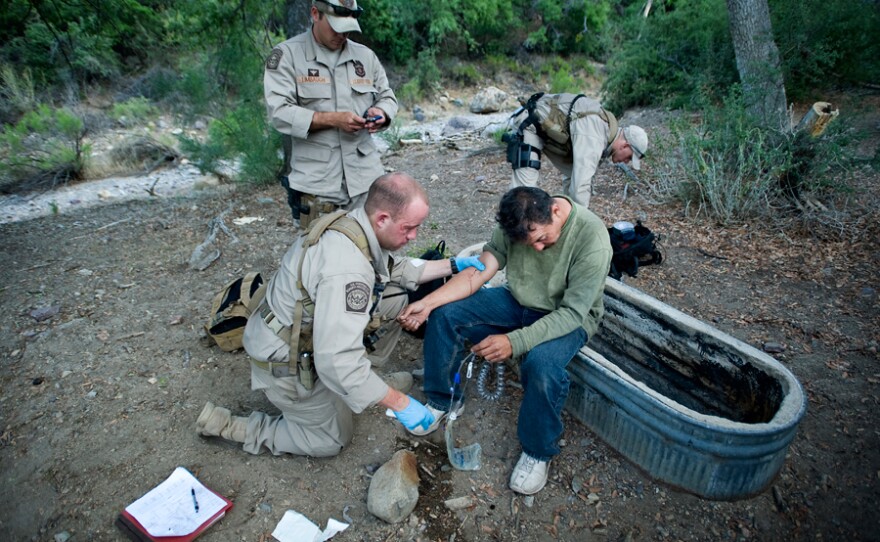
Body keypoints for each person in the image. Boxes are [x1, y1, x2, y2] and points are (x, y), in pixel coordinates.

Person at [195, 173, 486, 457]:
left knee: (396, 298)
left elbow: (397, 269)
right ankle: (232, 426)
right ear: (383, 219)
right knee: (331, 440)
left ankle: (363, 384)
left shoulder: (354, 225)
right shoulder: (348, 271)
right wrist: (400, 403)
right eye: (409, 228)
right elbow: (337, 361)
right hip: (286, 361)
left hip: (294, 328)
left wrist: (454, 265)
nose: (414, 236)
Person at [397, 186, 612, 495]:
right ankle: (440, 400)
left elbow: (573, 313)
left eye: (540, 238)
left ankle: (538, 451)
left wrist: (515, 341)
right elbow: (481, 270)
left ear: (555, 211)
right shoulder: (516, 221)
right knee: (446, 315)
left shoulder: (592, 238)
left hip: (567, 317)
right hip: (519, 301)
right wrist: (429, 302)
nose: (537, 248)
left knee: (541, 365)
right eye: (529, 243)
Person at [264, 0, 398, 228]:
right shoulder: (287, 55)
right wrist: (332, 120)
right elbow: (279, 112)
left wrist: (382, 112)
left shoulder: (365, 57)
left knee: (372, 254)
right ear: (315, 14)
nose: (342, 34)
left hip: (365, 181)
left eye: (348, 28)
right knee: (320, 258)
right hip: (318, 185)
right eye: (336, 27)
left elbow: (387, 96)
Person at [503, 92, 648, 208]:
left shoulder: (605, 137)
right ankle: (508, 236)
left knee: (574, 183)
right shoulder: (595, 135)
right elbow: (580, 188)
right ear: (625, 145)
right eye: (629, 157)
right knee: (523, 193)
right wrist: (582, 226)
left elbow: (573, 177)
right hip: (530, 124)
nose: (627, 162)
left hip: (545, 132)